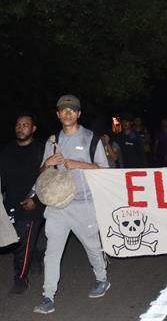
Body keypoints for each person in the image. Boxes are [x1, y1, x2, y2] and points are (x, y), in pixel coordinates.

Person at [33, 95, 111, 314]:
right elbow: (42, 174)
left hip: (83, 204)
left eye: (72, 110)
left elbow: (105, 170)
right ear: (58, 115)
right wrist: (47, 164)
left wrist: (81, 164)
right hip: (57, 206)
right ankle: (48, 296)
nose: (67, 113)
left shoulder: (91, 138)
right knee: (52, 252)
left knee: (92, 247)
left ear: (78, 114)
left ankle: (102, 279)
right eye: (63, 110)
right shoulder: (52, 141)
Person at [0, 114, 45, 295]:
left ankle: (20, 279)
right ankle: (36, 255)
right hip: (10, 203)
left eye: (25, 125)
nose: (21, 128)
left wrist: (36, 200)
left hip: (32, 204)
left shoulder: (41, 150)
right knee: (13, 238)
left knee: (22, 243)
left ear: (33, 129)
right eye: (18, 125)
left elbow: (49, 180)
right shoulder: (7, 150)